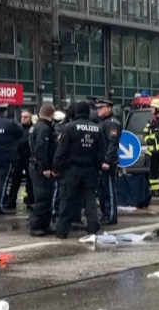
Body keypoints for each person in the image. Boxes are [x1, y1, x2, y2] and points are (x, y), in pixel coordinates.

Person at [53, 101, 104, 239]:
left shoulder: (70, 127)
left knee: (67, 199)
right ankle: (92, 226)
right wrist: (98, 166)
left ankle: (62, 230)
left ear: (76, 112)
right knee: (89, 199)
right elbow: (101, 151)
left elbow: (61, 150)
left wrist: (56, 168)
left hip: (72, 169)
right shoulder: (96, 128)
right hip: (90, 169)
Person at [0, 103, 23, 215]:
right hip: (6, 156)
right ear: (5, 112)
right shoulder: (9, 123)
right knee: (3, 181)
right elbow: (19, 134)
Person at [28, 104, 57, 236]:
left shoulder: (38, 126)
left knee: (46, 196)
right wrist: (45, 167)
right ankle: (36, 226)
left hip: (37, 166)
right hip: (41, 167)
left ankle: (45, 225)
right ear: (52, 114)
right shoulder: (44, 129)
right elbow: (41, 148)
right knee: (42, 197)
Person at [96, 99, 121, 225]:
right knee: (101, 190)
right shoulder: (102, 123)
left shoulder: (112, 123)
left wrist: (107, 160)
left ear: (109, 109)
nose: (98, 110)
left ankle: (111, 216)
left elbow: (112, 143)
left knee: (109, 190)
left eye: (101, 108)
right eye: (98, 108)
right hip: (100, 162)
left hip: (108, 162)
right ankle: (105, 214)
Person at [6, 110, 34, 210]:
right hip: (18, 157)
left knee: (30, 180)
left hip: (28, 157)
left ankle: (31, 201)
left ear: (30, 118)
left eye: (25, 117)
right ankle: (11, 201)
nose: (23, 119)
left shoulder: (33, 128)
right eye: (22, 117)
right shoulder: (18, 128)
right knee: (15, 180)